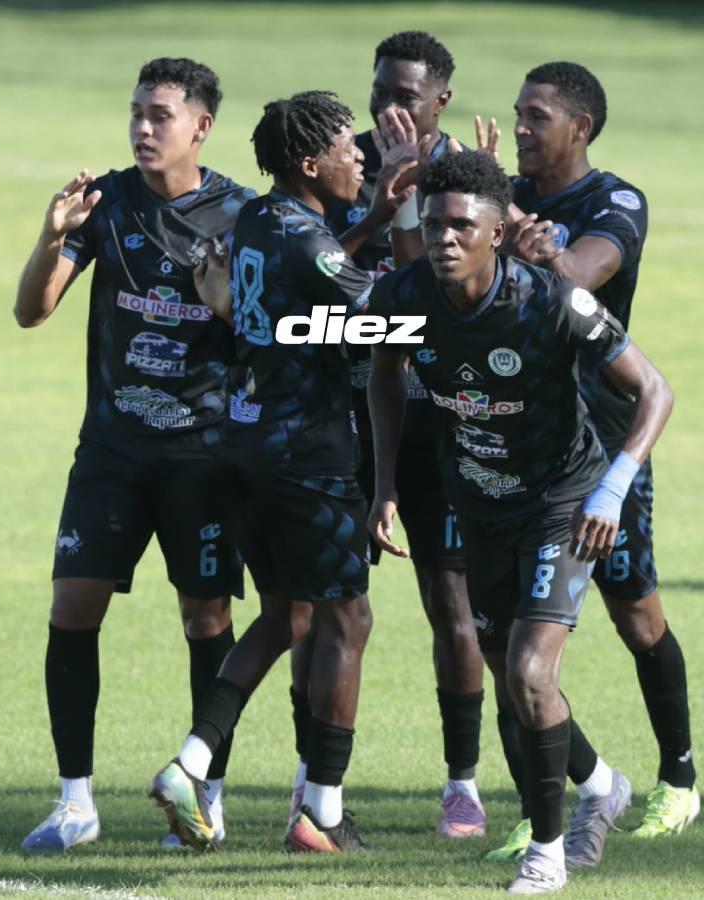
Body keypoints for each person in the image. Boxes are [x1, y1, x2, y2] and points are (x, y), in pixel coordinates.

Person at [367, 150, 673, 894]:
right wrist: (381, 486)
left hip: (563, 501)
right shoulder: (400, 298)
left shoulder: (550, 303)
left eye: (461, 226)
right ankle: (602, 783)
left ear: (497, 232)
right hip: (480, 501)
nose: (443, 238)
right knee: (512, 676)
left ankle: (547, 854)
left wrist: (612, 492)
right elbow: (383, 375)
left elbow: (654, 392)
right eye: (433, 223)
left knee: (533, 673)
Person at [148, 90, 415, 853]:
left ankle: (190, 764)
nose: (359, 155)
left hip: (242, 441)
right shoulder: (309, 245)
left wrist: (366, 216)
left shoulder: (260, 217)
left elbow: (315, 261)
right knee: (347, 617)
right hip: (309, 454)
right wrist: (401, 224)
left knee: (287, 614)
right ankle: (323, 815)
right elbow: (396, 317)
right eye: (345, 148)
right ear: (309, 163)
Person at [12, 58, 255, 852]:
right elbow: (31, 311)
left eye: (160, 115)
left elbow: (267, 336)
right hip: (112, 451)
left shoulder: (240, 216)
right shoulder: (105, 203)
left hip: (203, 456)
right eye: (136, 114)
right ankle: (75, 802)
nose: (143, 129)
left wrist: (229, 306)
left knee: (205, 616)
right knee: (71, 608)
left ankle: (205, 795)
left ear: (201, 127)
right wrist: (51, 240)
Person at [498, 61, 697, 847]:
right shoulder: (502, 203)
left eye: (536, 116)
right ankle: (543, 806)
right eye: (516, 113)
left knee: (636, 616)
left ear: (580, 127)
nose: (520, 127)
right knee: (510, 634)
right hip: (515, 441)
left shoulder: (612, 202)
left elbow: (581, 272)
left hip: (605, 441)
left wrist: (522, 234)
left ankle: (679, 778)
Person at [322, 29, 489, 839]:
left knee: (450, 601)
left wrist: (404, 201)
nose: (388, 109)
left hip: (442, 418)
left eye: (407, 96)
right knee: (327, 604)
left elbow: (432, 292)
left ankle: (462, 784)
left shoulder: (464, 178)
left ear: (441, 102)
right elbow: (308, 266)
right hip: (343, 411)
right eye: (379, 90)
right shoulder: (341, 164)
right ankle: (318, 793)